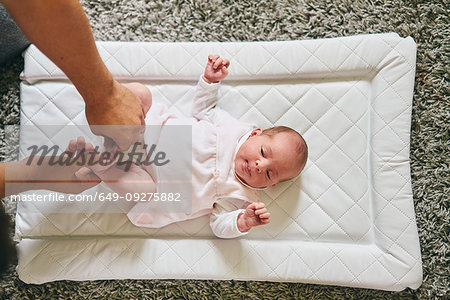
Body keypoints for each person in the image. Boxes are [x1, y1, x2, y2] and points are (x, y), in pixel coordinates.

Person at [78, 55, 308, 238]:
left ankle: (102, 167)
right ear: (256, 134)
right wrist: (210, 81)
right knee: (141, 94)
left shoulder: (240, 196)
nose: (259, 165)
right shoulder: (232, 128)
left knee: (142, 190)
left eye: (269, 173)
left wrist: (242, 221)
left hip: (149, 178)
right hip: (148, 131)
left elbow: (219, 225)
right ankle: (103, 99)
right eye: (263, 153)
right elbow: (204, 110)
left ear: (272, 184)